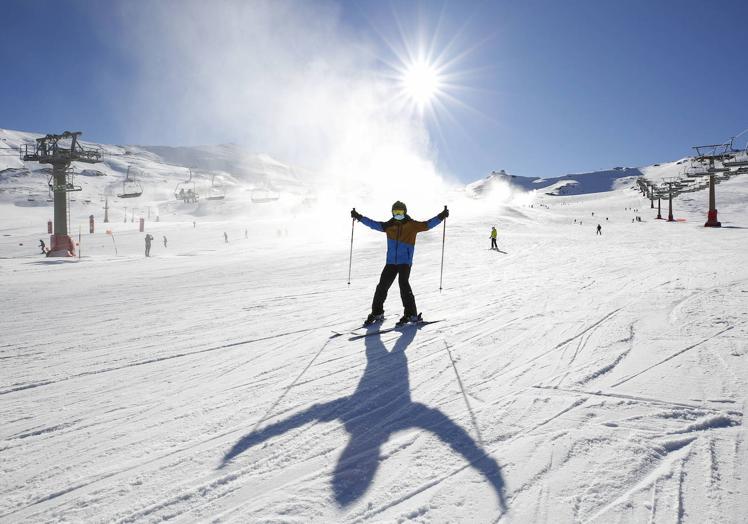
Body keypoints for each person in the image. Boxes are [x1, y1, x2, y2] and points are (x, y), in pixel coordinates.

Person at [351, 201, 448, 326]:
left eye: (400, 212)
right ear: (392, 213)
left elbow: (428, 224)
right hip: (391, 262)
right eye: (395, 212)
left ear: (405, 212)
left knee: (403, 284)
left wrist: (441, 216)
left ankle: (411, 314)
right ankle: (377, 313)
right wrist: (358, 217)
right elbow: (372, 224)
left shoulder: (412, 225)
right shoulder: (388, 226)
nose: (398, 214)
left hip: (404, 262)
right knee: (382, 286)